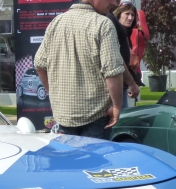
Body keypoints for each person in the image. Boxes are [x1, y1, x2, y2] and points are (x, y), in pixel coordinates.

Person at [34, 0, 125, 139]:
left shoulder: (56, 22)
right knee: (94, 161)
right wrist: (117, 106)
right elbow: (112, 71)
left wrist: (54, 94)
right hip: (97, 116)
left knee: (68, 161)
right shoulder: (103, 24)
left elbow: (39, 64)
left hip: (64, 116)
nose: (114, 4)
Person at [107, 1, 139, 108]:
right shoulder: (112, 29)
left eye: (133, 15)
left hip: (122, 83)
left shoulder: (126, 33)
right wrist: (132, 83)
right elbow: (117, 60)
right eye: (127, 14)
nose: (130, 18)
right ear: (119, 14)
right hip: (113, 84)